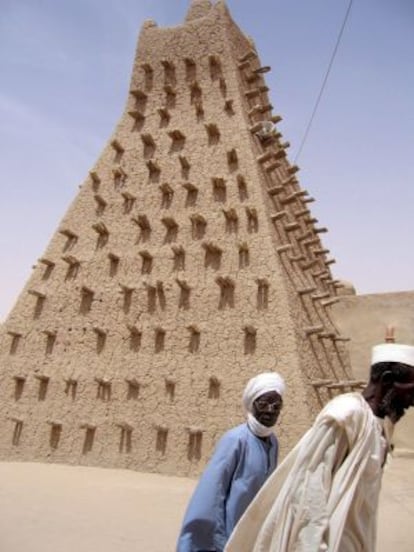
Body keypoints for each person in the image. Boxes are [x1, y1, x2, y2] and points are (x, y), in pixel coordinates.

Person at [225, 342, 414, 552]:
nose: (411, 401)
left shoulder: (379, 428)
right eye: (409, 390)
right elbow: (310, 487)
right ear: (387, 380)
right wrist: (312, 545)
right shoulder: (346, 415)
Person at [176, 371, 286, 552]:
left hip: (253, 537)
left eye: (276, 405)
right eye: (263, 403)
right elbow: (212, 493)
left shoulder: (273, 443)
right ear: (252, 404)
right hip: (228, 537)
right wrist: (219, 541)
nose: (270, 410)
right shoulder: (236, 440)